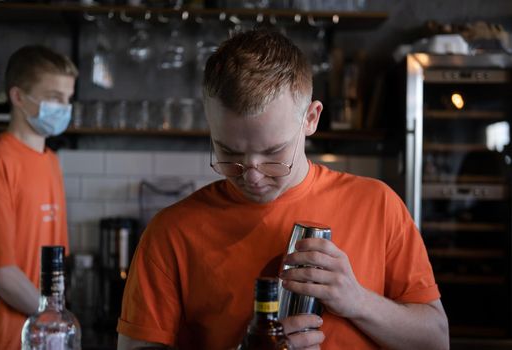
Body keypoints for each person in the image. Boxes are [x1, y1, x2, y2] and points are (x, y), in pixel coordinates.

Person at [117, 29, 449, 350]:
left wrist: (358, 300)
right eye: (229, 153)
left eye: (274, 153)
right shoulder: (171, 232)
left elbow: (436, 341)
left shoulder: (378, 205)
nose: (253, 176)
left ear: (311, 118)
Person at [0, 45, 77, 350]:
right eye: (54, 97)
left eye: (68, 99)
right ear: (18, 97)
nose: (64, 107)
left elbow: (56, 258)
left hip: (45, 337)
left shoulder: (51, 160)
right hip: (6, 338)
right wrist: (53, 317)